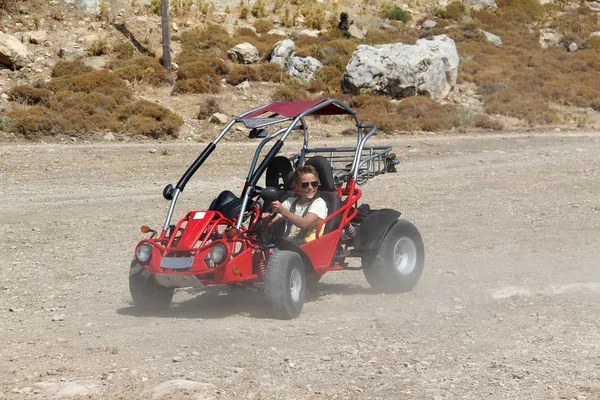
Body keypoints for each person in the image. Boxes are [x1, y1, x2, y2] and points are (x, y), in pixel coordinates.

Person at [263, 165, 328, 244]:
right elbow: (271, 221)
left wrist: (283, 211)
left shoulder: (319, 203)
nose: (310, 187)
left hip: (308, 245)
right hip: (291, 243)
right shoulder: (290, 202)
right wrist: (266, 220)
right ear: (297, 186)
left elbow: (304, 224)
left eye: (314, 184)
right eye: (305, 185)